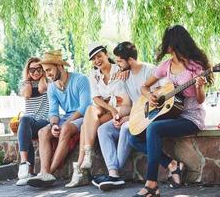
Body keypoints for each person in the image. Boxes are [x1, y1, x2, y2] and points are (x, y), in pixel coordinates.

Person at [130, 25, 213, 197]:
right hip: (171, 114)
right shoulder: (166, 66)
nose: (164, 46)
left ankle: (151, 184)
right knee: (133, 138)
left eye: (166, 41)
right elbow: (144, 87)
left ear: (173, 44)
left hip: (190, 117)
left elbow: (200, 100)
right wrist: (151, 96)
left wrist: (199, 87)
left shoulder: (194, 67)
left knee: (153, 128)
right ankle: (172, 164)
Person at [92, 41, 159, 191]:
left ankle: (114, 175)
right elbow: (128, 105)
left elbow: (156, 104)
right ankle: (113, 172)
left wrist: (129, 118)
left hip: (148, 118)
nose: (117, 64)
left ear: (130, 60)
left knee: (126, 128)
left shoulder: (150, 72)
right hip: (134, 117)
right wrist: (119, 115)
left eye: (120, 61)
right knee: (103, 130)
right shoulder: (125, 76)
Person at [65, 43, 130, 188]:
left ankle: (81, 166)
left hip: (120, 109)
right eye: (94, 59)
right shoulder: (94, 74)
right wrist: (110, 109)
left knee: (84, 127)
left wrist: (113, 110)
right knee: (90, 110)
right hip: (106, 109)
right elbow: (96, 98)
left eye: (99, 56)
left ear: (106, 55)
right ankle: (86, 157)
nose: (97, 61)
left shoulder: (120, 70)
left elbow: (124, 98)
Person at [27, 49, 92, 187]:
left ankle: (48, 174)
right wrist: (54, 124)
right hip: (66, 117)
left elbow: (84, 106)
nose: (48, 74)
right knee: (43, 131)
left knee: (66, 128)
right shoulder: (51, 87)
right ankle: (44, 172)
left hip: (84, 117)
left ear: (60, 66)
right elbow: (53, 111)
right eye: (45, 71)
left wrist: (65, 124)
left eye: (49, 70)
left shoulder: (81, 79)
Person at [16, 57, 49, 186]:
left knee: (25, 123)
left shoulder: (48, 81)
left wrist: (42, 77)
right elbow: (27, 94)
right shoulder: (24, 84)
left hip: (45, 121)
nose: (35, 72)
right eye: (32, 70)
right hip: (30, 121)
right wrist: (28, 81)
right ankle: (26, 168)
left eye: (38, 69)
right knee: (24, 122)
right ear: (28, 71)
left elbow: (41, 89)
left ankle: (26, 168)